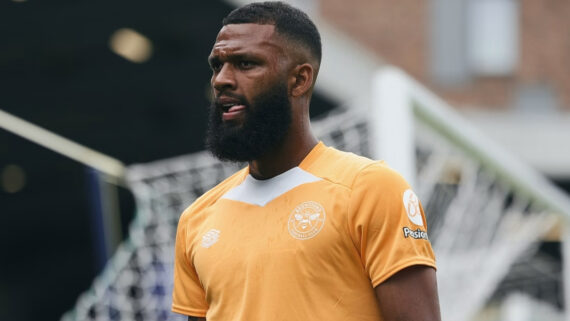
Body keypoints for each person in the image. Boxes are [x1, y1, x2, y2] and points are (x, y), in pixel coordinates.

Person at [172, 2, 440, 320]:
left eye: (245, 64)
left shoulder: (370, 189)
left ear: (299, 80)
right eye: (217, 65)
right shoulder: (197, 219)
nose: (221, 80)